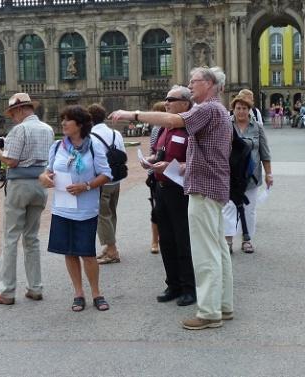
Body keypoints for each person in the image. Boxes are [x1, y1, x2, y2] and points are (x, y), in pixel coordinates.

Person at [110, 66, 233, 330]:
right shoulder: (218, 110)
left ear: (209, 83)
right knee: (218, 249)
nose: (191, 86)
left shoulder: (207, 108)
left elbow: (173, 121)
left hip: (204, 186)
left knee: (205, 252)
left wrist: (134, 114)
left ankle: (210, 312)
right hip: (213, 185)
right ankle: (223, 305)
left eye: (194, 81)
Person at [39, 105, 112, 311]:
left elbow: (106, 174)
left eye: (67, 120)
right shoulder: (57, 147)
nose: (63, 123)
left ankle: (97, 293)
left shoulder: (93, 146)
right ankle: (78, 293)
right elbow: (47, 172)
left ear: (80, 124)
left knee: (87, 253)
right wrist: (45, 178)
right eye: (62, 119)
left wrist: (86, 186)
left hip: (86, 208)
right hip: (62, 208)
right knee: (69, 252)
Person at [0, 93, 54, 305]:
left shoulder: (20, 129)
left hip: (20, 186)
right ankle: (35, 287)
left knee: (10, 238)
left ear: (21, 110)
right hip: (40, 185)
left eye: (13, 113)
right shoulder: (48, 129)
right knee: (32, 237)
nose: (12, 117)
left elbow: (12, 161)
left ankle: (6, 291)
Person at [142, 85, 197, 306]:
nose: (166, 103)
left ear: (185, 103)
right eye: (166, 99)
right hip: (162, 189)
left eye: (171, 99)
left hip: (180, 190)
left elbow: (195, 160)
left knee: (182, 240)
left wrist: (176, 165)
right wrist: (151, 160)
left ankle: (189, 288)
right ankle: (172, 284)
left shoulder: (189, 128)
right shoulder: (165, 129)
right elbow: (159, 152)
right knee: (166, 239)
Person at [222, 94, 273, 254]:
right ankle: (228, 240)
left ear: (250, 110)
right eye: (238, 108)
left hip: (251, 175)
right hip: (230, 175)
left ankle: (247, 239)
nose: (241, 111)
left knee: (249, 209)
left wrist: (268, 173)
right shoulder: (225, 125)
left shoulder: (257, 127)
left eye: (245, 108)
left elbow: (265, 152)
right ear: (233, 109)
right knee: (229, 207)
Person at [88, 104, 127, 265]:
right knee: (112, 213)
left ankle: (112, 250)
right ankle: (109, 246)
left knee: (102, 216)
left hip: (101, 181)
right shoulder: (115, 133)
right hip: (116, 180)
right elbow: (123, 154)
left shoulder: (90, 136)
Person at [147, 101, 166, 255]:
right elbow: (154, 151)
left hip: (166, 174)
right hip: (156, 174)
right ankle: (155, 240)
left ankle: (158, 240)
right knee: (156, 210)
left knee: (158, 210)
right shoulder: (156, 129)